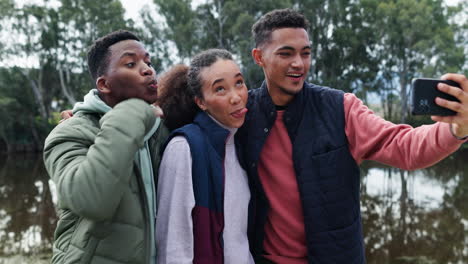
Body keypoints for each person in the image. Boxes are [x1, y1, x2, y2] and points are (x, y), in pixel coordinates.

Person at [235, 8, 468, 264]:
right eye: (286, 53)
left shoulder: (340, 108)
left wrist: (456, 129)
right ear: (259, 57)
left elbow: (404, 147)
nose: (299, 64)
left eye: (306, 53)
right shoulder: (242, 115)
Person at [43, 30, 169, 264]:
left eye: (148, 62)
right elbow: (90, 200)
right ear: (104, 84)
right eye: (131, 63)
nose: (147, 69)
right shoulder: (68, 132)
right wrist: (135, 109)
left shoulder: (160, 130)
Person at [155, 49, 254, 264]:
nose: (236, 97)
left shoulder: (241, 144)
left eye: (239, 83)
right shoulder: (183, 147)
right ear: (201, 102)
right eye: (220, 89)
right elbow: (172, 244)